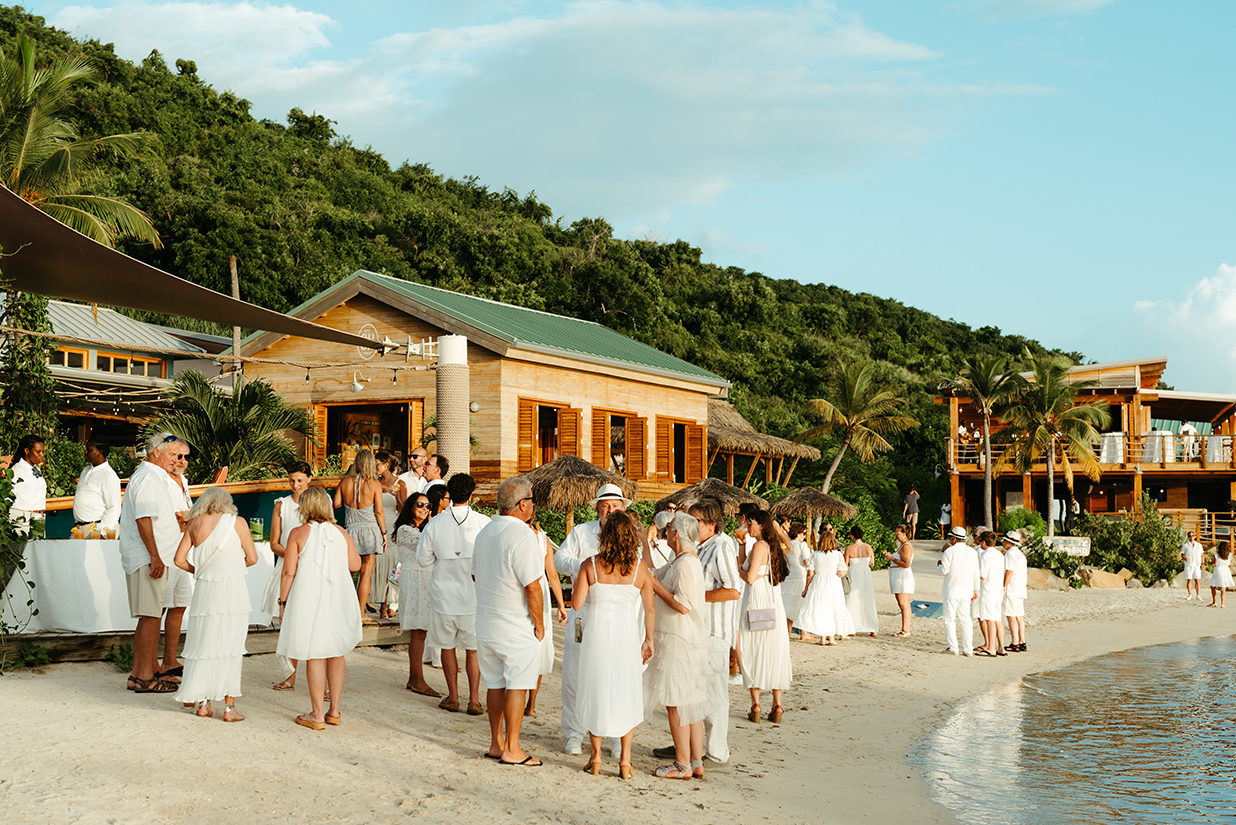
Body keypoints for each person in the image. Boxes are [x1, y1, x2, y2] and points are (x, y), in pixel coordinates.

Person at [652, 497, 741, 767]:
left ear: (711, 524)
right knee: (692, 694)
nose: (691, 524)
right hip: (695, 631)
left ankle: (715, 751)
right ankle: (692, 750)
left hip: (712, 629)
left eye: (696, 520)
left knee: (712, 694)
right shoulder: (697, 549)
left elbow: (734, 589)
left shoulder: (721, 547)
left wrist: (694, 596)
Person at [471, 476, 547, 767]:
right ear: (523, 504)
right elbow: (532, 586)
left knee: (495, 683)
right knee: (517, 683)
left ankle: (495, 742)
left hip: (487, 619)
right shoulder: (523, 536)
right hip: (515, 622)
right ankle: (512, 747)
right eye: (532, 500)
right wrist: (539, 624)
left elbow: (476, 574)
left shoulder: (485, 532)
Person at [574, 510, 654, 779]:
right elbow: (650, 610)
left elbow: (576, 604)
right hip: (626, 635)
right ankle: (625, 760)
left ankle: (595, 757)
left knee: (595, 687)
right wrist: (649, 639)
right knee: (626, 691)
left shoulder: (590, 565)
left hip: (597, 633)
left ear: (603, 536)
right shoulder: (639, 569)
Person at [276, 487, 363, 730]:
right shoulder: (341, 532)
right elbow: (355, 564)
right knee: (336, 652)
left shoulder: (298, 533)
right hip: (338, 597)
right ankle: (334, 710)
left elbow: (289, 571)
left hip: (310, 596)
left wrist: (282, 602)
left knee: (314, 652)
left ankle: (316, 715)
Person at [553, 482, 630, 756]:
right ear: (597, 508)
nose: (610, 511)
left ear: (622, 508)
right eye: (605, 506)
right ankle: (574, 733)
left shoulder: (629, 534)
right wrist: (585, 568)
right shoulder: (581, 532)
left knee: (613, 675)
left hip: (616, 616)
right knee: (575, 672)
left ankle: (616, 736)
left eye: (615, 506)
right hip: (582, 613)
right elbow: (558, 558)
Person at [171, 487, 258, 721]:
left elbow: (179, 560)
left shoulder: (194, 524)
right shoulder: (237, 522)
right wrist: (230, 568)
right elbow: (252, 558)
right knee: (231, 646)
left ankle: (203, 704)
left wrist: (199, 570)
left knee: (203, 645)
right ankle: (229, 709)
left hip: (205, 592)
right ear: (226, 503)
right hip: (232, 592)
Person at [117, 433, 190, 693]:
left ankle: (138, 674)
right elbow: (143, 518)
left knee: (149, 616)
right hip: (149, 557)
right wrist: (155, 556)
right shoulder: (148, 478)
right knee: (150, 617)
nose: (176, 460)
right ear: (155, 452)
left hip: (154, 556)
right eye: (172, 454)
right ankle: (145, 677)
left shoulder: (152, 477)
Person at [416, 473, 490, 715]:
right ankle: (475, 699)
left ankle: (454, 697)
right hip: (473, 594)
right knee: (472, 649)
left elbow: (423, 559)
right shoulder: (483, 522)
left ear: (449, 494)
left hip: (443, 593)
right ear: (471, 494)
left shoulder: (435, 523)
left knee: (447, 647)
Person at [643, 511, 708, 780]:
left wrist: (657, 588)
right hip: (680, 639)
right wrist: (643, 541)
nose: (666, 531)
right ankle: (695, 760)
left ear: (677, 533)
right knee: (688, 701)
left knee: (677, 702)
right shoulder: (678, 560)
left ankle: (682, 764)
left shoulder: (686, 565)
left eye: (669, 527)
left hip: (679, 641)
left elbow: (682, 604)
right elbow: (649, 573)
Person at [739, 511, 793, 726]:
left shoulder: (759, 546)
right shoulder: (772, 547)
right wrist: (742, 545)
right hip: (773, 600)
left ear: (761, 525)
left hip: (757, 599)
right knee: (774, 648)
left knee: (754, 648)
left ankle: (756, 705)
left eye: (751, 523)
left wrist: (743, 572)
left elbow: (748, 576)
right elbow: (788, 547)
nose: (748, 526)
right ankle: (777, 705)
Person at [266, 462, 312, 691]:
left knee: (314, 624)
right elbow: (275, 543)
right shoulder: (280, 505)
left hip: (311, 569)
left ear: (309, 480)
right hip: (287, 567)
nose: (295, 485)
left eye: (300, 481)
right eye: (292, 480)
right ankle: (290, 676)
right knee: (289, 624)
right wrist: (294, 555)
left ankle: (320, 681)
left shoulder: (317, 503)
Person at [334, 449, 386, 623]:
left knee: (347, 573)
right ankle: (361, 613)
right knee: (366, 573)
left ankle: (341, 611)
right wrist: (384, 533)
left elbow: (336, 504)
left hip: (351, 530)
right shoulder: (374, 484)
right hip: (370, 530)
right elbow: (378, 511)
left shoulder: (345, 482)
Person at [395, 492, 439, 696]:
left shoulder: (425, 529)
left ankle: (414, 678)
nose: (424, 508)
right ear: (411, 506)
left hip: (427, 580)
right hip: (414, 580)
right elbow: (429, 546)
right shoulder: (405, 530)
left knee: (422, 631)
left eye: (428, 506)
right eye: (420, 504)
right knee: (418, 631)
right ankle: (417, 679)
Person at [526, 518, 567, 719]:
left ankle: (521, 700)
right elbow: (552, 574)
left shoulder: (512, 535)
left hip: (520, 589)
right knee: (540, 645)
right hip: (540, 592)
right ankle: (531, 705)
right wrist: (560, 604)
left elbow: (552, 574)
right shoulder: (542, 538)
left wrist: (560, 603)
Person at [796, 522, 851, 645]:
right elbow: (842, 572)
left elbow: (810, 574)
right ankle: (831, 638)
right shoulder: (837, 555)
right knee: (832, 608)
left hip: (818, 583)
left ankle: (822, 638)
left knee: (821, 609)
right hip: (833, 583)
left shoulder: (815, 555)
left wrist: (806, 589)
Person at [938, 526, 979, 656]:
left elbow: (945, 570)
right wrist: (976, 589)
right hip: (966, 589)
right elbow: (976, 572)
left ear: (954, 538)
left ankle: (953, 647)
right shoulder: (972, 552)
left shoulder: (949, 552)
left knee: (949, 619)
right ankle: (968, 649)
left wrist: (939, 565)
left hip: (952, 589)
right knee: (965, 619)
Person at [373, 451, 402, 620]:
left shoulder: (400, 483)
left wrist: (397, 498)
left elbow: (403, 508)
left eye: (377, 463)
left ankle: (385, 607)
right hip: (376, 526)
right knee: (376, 567)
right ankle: (373, 601)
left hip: (391, 526)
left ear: (385, 465)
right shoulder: (373, 482)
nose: (375, 467)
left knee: (390, 566)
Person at [72, 438, 121, 532]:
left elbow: (114, 507)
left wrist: (103, 531)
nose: (85, 452)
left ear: (100, 452)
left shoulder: (109, 476)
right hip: (79, 528)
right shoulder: (86, 470)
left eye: (90, 450)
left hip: (96, 528)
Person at [974, 531, 1006, 656]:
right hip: (997, 589)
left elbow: (983, 575)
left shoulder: (985, 555)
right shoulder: (999, 554)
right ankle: (1001, 648)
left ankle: (991, 648)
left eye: (980, 541)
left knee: (989, 619)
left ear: (984, 542)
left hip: (988, 591)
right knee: (997, 618)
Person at [843, 525, 878, 637]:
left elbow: (845, 564)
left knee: (852, 599)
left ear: (852, 536)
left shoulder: (849, 548)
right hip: (865, 574)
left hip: (854, 574)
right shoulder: (869, 547)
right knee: (867, 598)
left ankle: (852, 628)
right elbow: (872, 564)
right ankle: (872, 628)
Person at [781, 522, 814, 637]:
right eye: (803, 533)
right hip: (799, 576)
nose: (804, 536)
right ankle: (803, 632)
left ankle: (787, 633)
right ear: (798, 533)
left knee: (787, 603)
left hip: (788, 576)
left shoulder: (786, 544)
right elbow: (806, 562)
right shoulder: (802, 545)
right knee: (801, 604)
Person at [9, 434, 47, 531]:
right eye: (38, 452)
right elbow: (9, 497)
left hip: (38, 518)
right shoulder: (17, 471)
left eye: (43, 452)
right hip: (22, 519)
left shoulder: (35, 469)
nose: (41, 455)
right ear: (26, 451)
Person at [885, 524, 915, 638]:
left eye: (898, 533)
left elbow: (906, 564)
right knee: (901, 604)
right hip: (897, 576)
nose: (896, 536)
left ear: (904, 534)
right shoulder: (902, 545)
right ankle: (905, 629)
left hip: (902, 576)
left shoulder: (906, 546)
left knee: (904, 604)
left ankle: (906, 630)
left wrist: (892, 558)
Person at [1002, 532, 1028, 653]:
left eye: (1005, 540)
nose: (1003, 542)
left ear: (1009, 542)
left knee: (1011, 616)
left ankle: (1015, 642)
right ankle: (1022, 642)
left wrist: (1003, 587)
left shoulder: (1010, 554)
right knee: (1019, 616)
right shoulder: (1020, 554)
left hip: (1012, 588)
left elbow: (1009, 572)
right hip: (1020, 588)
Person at [1208, 541, 1233, 608]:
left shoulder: (1216, 554)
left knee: (1213, 586)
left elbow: (1214, 563)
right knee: (1223, 587)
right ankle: (1222, 604)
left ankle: (1214, 602)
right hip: (1226, 570)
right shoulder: (1229, 554)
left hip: (1218, 569)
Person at [1181, 531, 1204, 601]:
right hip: (1189, 565)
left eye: (1193, 535)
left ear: (1195, 536)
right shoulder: (1185, 545)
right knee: (1189, 580)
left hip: (1197, 565)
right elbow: (1182, 554)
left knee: (1197, 580)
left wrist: (1203, 563)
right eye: (1190, 536)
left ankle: (1198, 595)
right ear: (1188, 537)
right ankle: (1190, 594)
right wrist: (1184, 558)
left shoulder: (1199, 545)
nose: (1191, 537)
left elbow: (1202, 555)